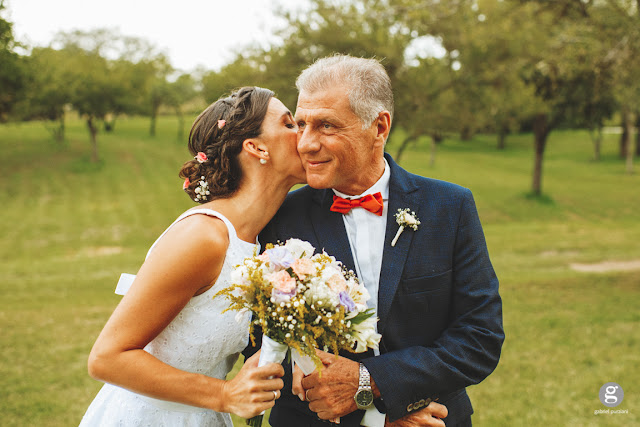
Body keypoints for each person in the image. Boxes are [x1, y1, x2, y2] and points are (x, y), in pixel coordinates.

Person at [256, 55, 505, 427]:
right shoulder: (280, 216)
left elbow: (479, 337)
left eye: (326, 125)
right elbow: (259, 340)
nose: (306, 144)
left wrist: (372, 384)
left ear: (379, 126)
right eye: (302, 123)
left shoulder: (450, 207)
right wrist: (377, 418)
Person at [79, 86, 306, 426]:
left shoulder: (261, 241)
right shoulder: (203, 238)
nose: (304, 134)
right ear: (257, 147)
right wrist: (224, 395)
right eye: (290, 124)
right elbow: (107, 358)